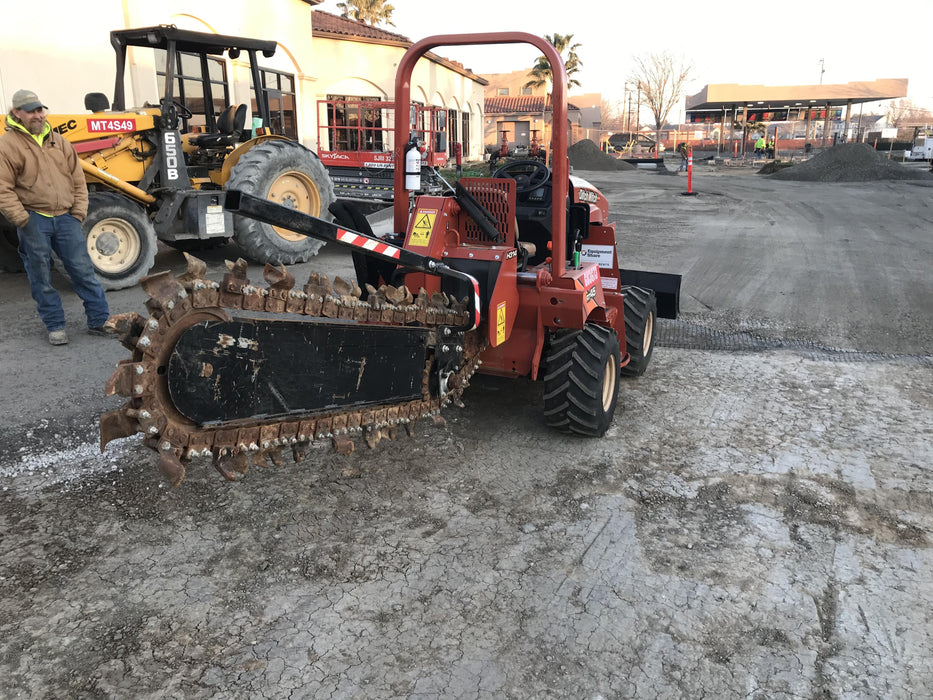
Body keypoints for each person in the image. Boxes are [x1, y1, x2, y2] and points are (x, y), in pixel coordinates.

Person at [0, 89, 110, 345]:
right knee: (40, 276)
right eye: (31, 111)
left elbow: (78, 179)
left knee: (83, 271)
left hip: (66, 218)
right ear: (17, 113)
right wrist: (22, 219)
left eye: (40, 110)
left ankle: (100, 320)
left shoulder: (59, 142)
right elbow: (3, 188)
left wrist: (78, 212)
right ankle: (55, 326)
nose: (38, 115)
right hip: (34, 219)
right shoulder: (7, 146)